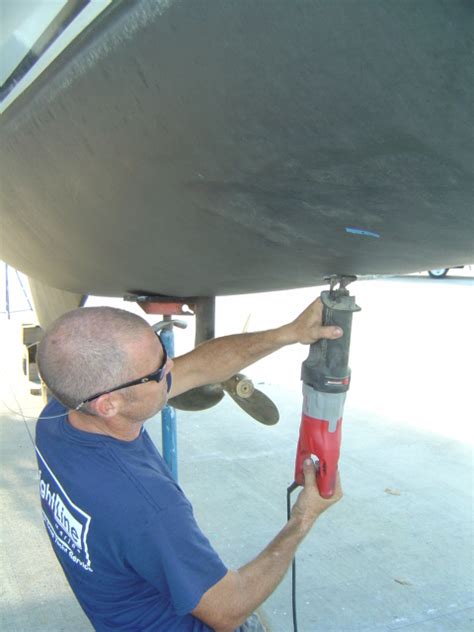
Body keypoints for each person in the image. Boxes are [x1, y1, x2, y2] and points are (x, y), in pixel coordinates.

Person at [35, 298, 343, 632]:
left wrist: (289, 333)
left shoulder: (56, 418)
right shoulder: (148, 507)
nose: (171, 368)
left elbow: (199, 367)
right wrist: (303, 517)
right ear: (108, 404)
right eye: (157, 372)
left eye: (163, 356)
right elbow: (228, 609)